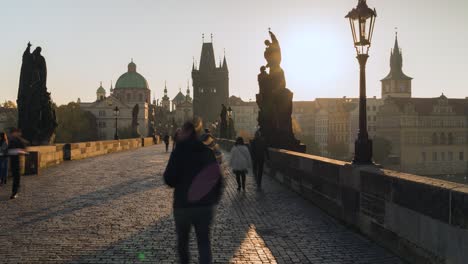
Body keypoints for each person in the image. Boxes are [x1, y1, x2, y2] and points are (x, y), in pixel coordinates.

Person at [164, 121, 224, 264]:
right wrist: (214, 199)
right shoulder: (207, 151)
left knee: (183, 243)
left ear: (187, 133)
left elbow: (169, 178)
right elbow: (218, 178)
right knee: (203, 242)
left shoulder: (178, 152)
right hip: (204, 205)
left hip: (183, 205)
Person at [8, 128, 27, 199]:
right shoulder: (9, 140)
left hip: (18, 161)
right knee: (15, 176)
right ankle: (16, 189)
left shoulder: (21, 141)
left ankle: (14, 192)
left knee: (16, 176)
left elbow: (25, 151)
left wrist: (21, 151)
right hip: (11, 160)